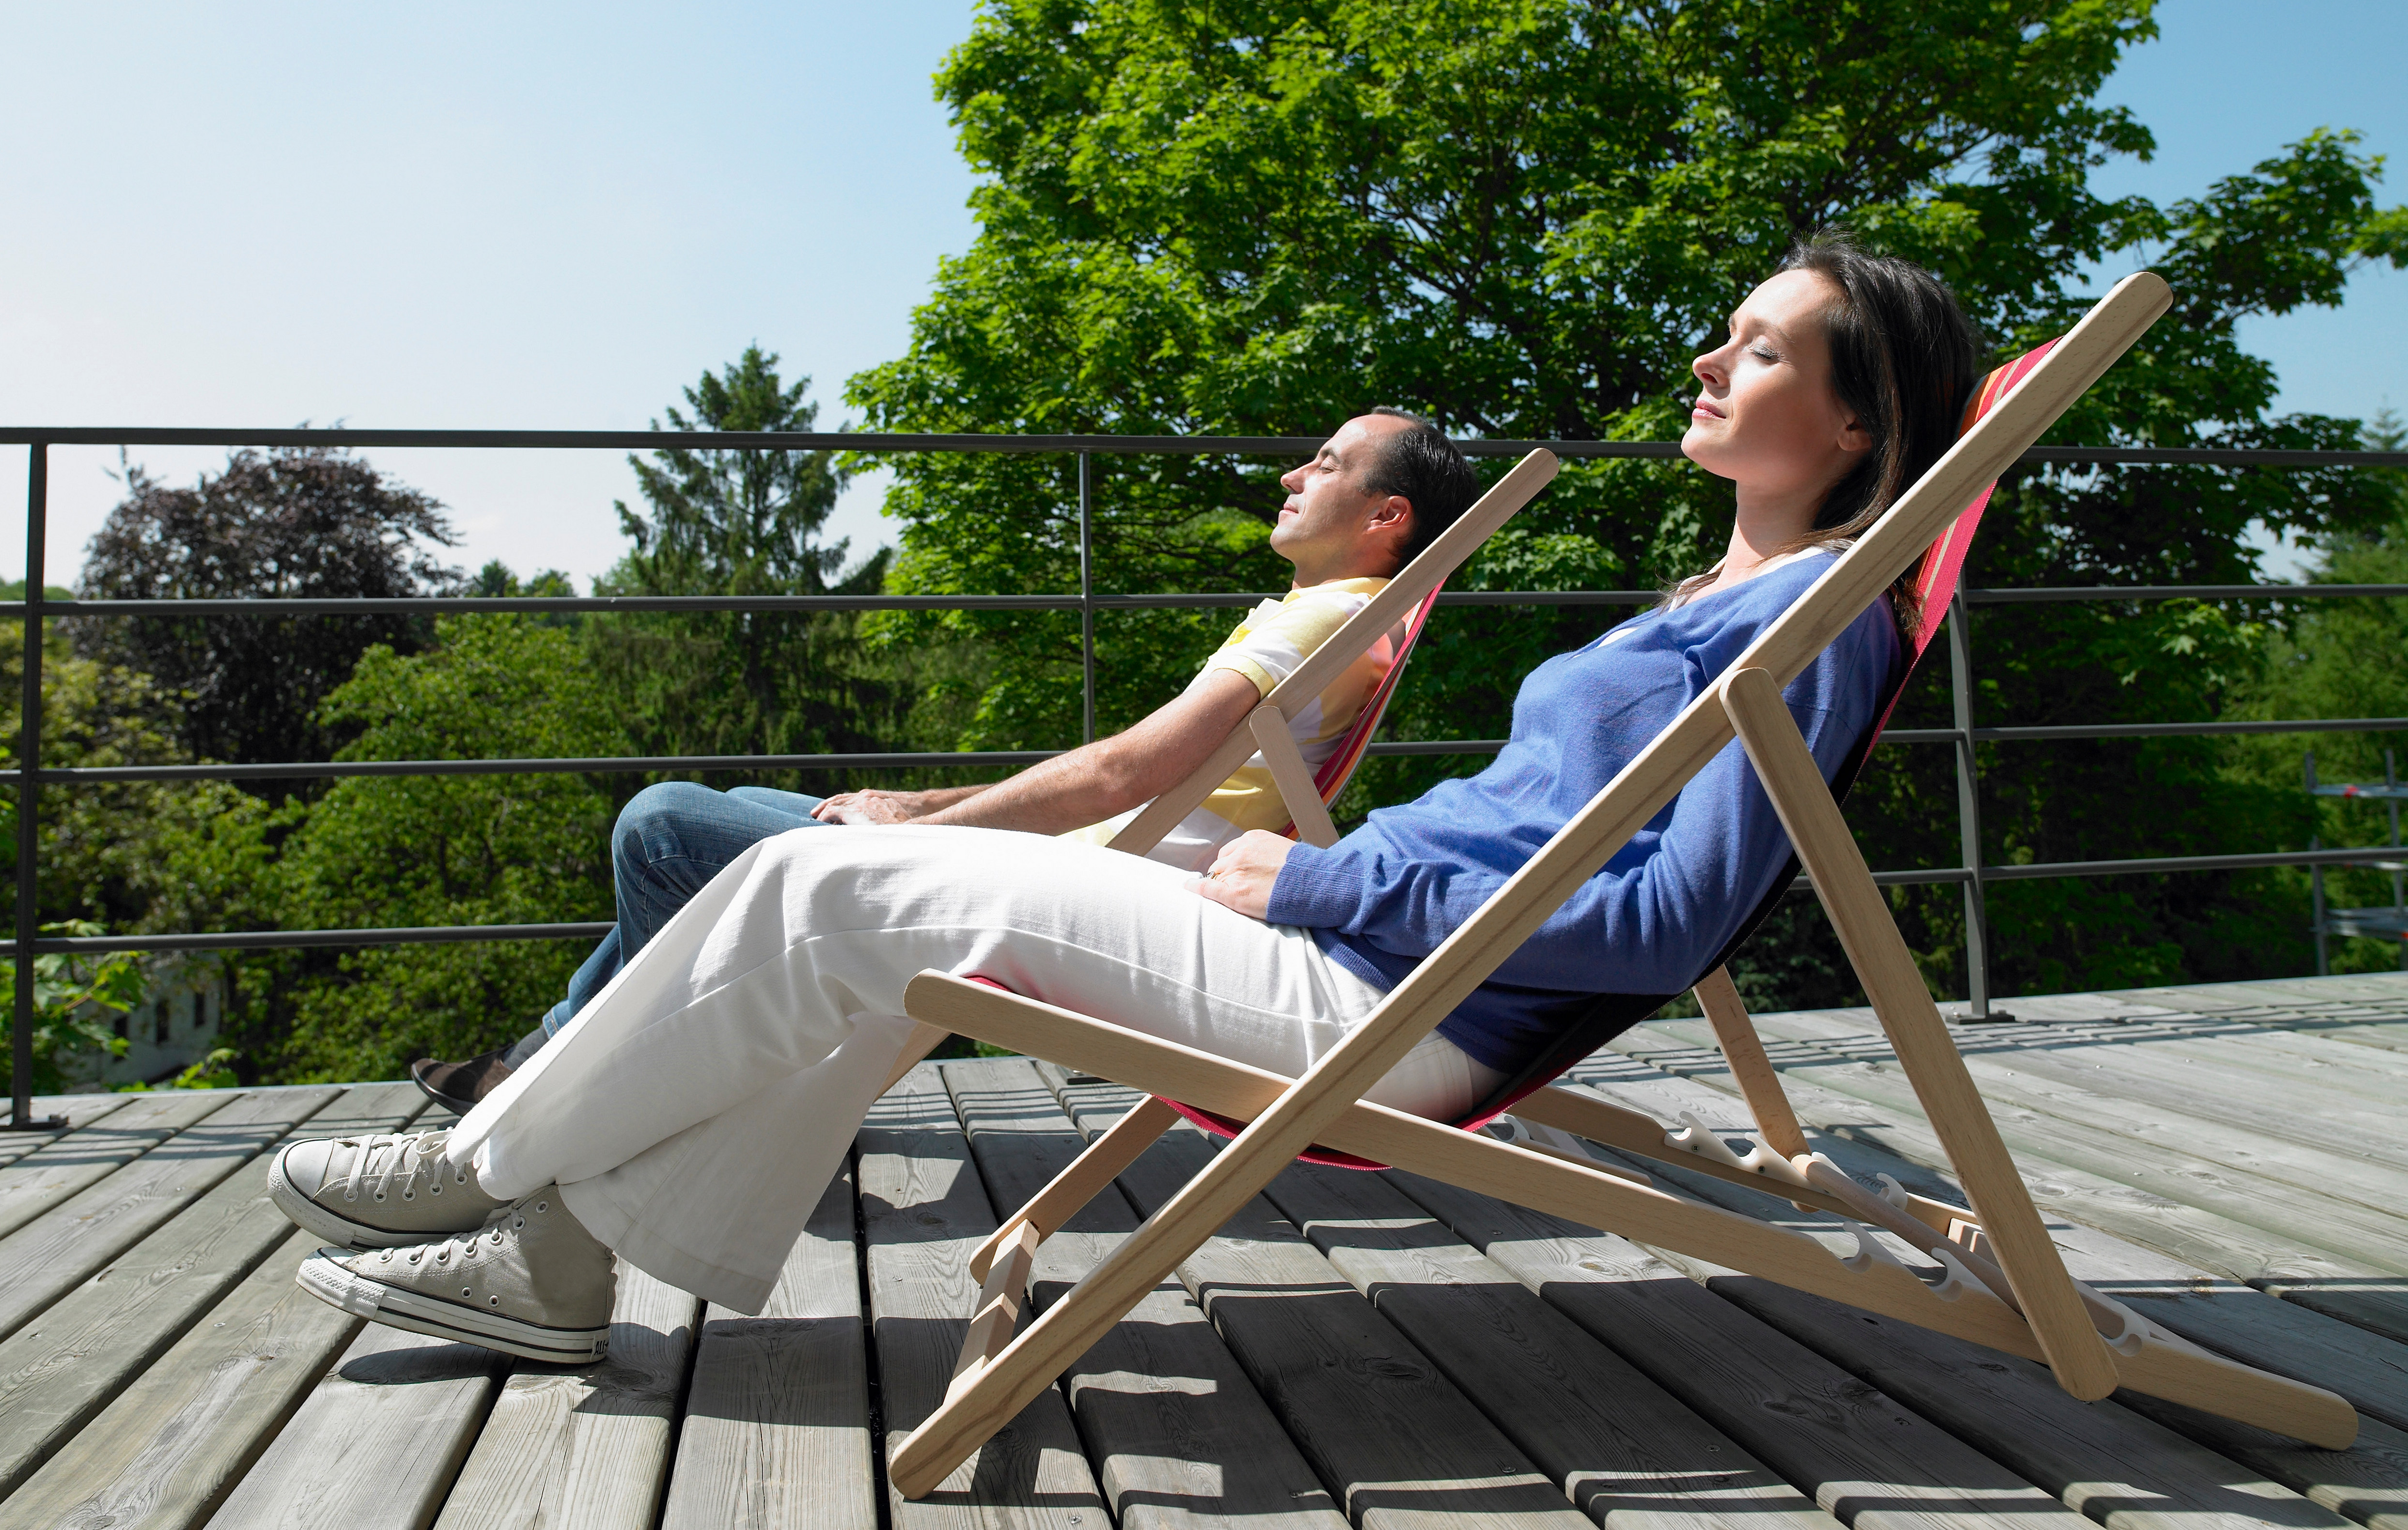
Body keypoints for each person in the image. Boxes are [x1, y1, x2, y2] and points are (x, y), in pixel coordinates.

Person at [269, 237, 1981, 1369]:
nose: (1708, 358)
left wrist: (1317, 890)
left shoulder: (1809, 625)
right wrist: (1322, 879)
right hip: (1357, 942)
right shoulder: (1712, 598)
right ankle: (554, 1247)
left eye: (1758, 349)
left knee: (829, 889)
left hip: (1387, 993)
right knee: (868, 914)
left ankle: (493, 1177)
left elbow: (1669, 923)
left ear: (1854, 419)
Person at [406, 408, 1485, 1113]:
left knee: (665, 825)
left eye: (1328, 463)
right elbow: (1123, 769)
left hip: (1078, 883)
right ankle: (566, 1068)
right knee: (727, 812)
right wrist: (916, 797)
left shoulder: (1314, 624)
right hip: (1079, 859)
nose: (1293, 471)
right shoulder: (1337, 615)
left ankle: (571, 1079)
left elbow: (1122, 777)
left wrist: (914, 839)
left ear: (1387, 515)